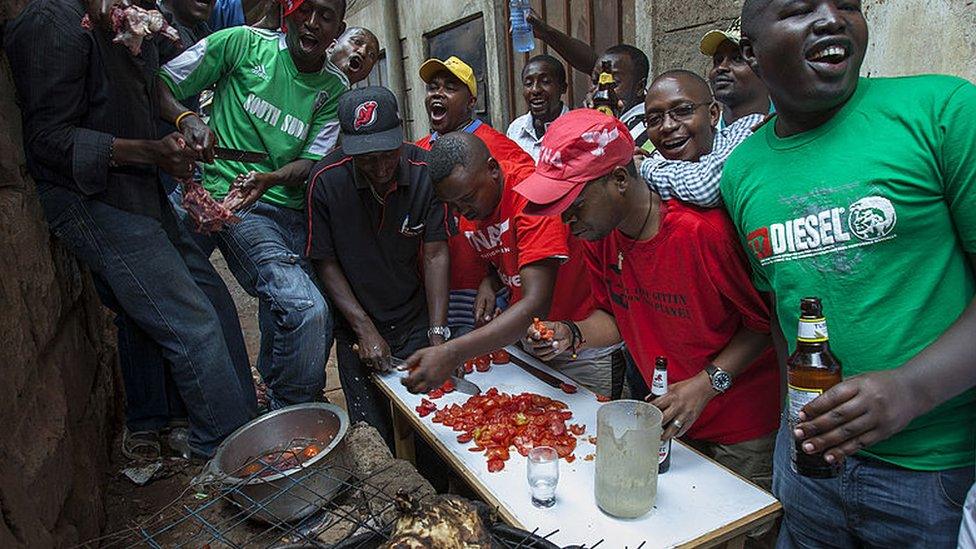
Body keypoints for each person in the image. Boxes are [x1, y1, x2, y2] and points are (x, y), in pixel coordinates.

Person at [722, 1, 976, 545]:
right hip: (808, 467)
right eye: (799, 10)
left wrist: (912, 389)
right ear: (752, 53)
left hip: (935, 474)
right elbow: (779, 313)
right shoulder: (742, 172)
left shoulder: (942, 109)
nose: (832, 19)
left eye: (848, 6)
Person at [5, 0, 256, 458]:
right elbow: (48, 142)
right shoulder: (50, 23)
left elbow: (146, 87)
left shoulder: (128, 16)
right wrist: (151, 152)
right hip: (91, 197)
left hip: (140, 191)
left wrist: (185, 118)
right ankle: (229, 454)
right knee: (192, 324)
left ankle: (245, 425)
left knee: (214, 301)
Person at [515, 108, 780, 493]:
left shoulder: (700, 233)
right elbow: (615, 315)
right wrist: (571, 332)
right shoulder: (599, 234)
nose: (567, 221)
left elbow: (763, 324)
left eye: (574, 206)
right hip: (670, 418)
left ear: (619, 179)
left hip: (739, 428)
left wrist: (706, 384)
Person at [157, 0, 349, 409]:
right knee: (158, 287)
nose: (312, 23)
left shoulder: (334, 89)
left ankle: (288, 411)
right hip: (210, 190)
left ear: (338, 30)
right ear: (288, 13)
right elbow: (162, 82)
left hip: (272, 207)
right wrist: (186, 120)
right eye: (305, 10)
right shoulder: (242, 43)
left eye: (326, 16)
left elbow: (309, 163)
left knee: (308, 312)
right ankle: (163, 412)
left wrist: (270, 179)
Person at [402, 132, 622, 398]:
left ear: (493, 169)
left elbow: (535, 304)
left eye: (467, 198)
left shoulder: (531, 196)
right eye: (452, 205)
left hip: (582, 344)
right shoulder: (470, 209)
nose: (462, 212)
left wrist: (452, 352)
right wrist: (491, 281)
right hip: (531, 342)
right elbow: (507, 255)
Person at [306, 86, 449, 446]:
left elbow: (434, 255)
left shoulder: (423, 172)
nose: (382, 167)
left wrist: (437, 336)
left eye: (388, 154)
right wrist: (364, 329)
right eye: (367, 159)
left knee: (430, 432)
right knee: (373, 435)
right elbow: (326, 262)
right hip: (356, 326)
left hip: (414, 317)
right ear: (347, 146)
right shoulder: (324, 182)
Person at [414, 55, 534, 337]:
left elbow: (528, 223)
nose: (438, 94)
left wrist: (492, 280)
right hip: (434, 289)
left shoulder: (501, 150)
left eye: (450, 87)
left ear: (471, 101)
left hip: (483, 290)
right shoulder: (418, 152)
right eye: (433, 87)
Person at [638, 70, 766, 208]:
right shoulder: (657, 164)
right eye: (654, 119)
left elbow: (704, 188)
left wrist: (643, 167)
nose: (667, 126)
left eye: (682, 111)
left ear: (713, 114)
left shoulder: (749, 129)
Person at [699, 17, 773, 128]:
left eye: (738, 58)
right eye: (718, 60)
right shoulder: (705, 137)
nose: (721, 67)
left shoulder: (790, 126)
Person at [506, 54, 570, 162]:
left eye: (545, 82)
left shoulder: (577, 130)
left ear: (563, 88)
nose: (535, 90)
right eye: (528, 83)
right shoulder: (515, 130)